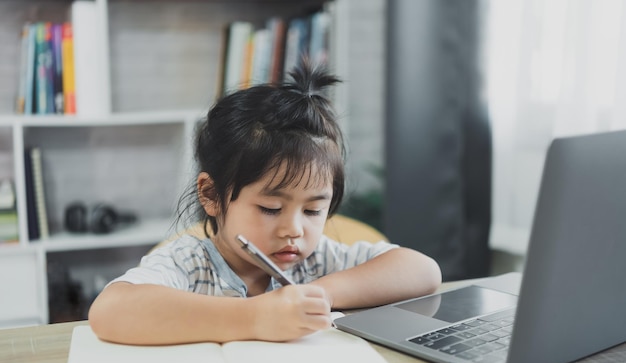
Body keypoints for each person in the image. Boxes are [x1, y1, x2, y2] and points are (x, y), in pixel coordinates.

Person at [89, 63, 441, 345]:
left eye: (313, 210)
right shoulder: (190, 263)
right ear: (211, 195)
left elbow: (424, 272)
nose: (294, 229)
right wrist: (257, 316)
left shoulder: (318, 261)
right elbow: (110, 311)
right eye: (271, 208)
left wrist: (316, 294)